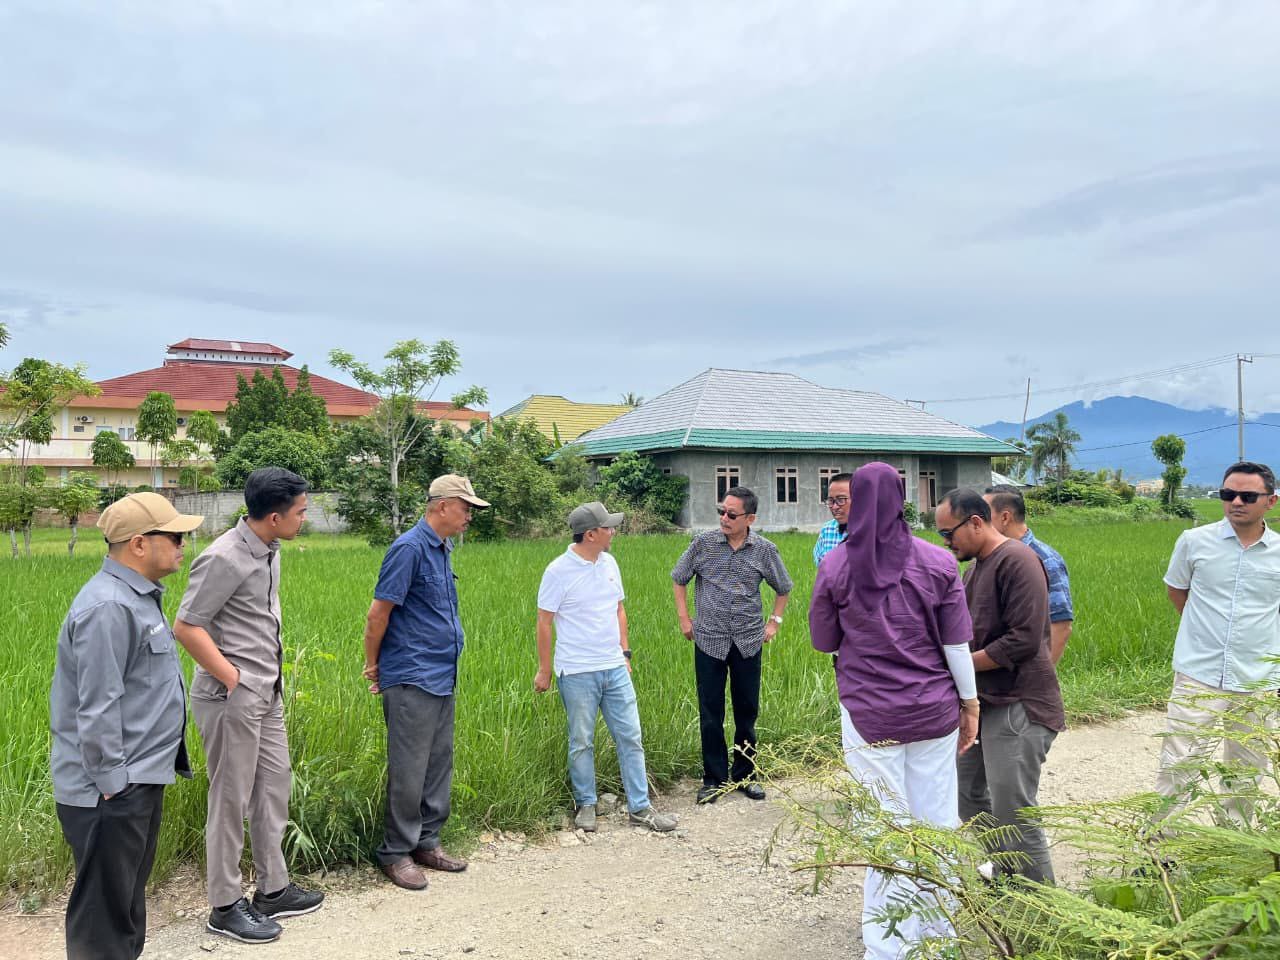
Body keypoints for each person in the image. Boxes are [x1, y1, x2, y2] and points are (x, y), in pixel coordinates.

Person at [810, 463, 978, 959]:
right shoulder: (938, 563)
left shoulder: (836, 565)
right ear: (902, 499)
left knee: (884, 828)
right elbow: (956, 645)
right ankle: (939, 938)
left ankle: (888, 948)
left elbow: (824, 642)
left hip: (869, 715)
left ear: (857, 500)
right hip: (933, 712)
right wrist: (970, 704)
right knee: (937, 821)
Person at [50, 493, 202, 960]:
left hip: (136, 780)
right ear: (139, 544)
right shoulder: (109, 607)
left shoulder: (137, 598)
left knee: (124, 907)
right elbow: (96, 707)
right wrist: (114, 787)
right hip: (111, 789)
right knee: (104, 921)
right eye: (175, 537)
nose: (183, 545)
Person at [175, 468, 322, 943]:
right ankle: (224, 904)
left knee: (273, 787)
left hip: (266, 692)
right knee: (230, 798)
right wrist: (233, 678)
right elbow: (187, 626)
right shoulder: (223, 557)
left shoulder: (270, 549)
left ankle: (273, 889)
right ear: (275, 516)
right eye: (300, 511)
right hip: (230, 697)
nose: (305, 518)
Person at [362, 474, 488, 890]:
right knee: (410, 768)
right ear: (443, 506)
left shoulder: (442, 548)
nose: (469, 516)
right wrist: (373, 665)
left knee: (437, 763)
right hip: (412, 674)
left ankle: (427, 842)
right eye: (466, 508)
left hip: (441, 673)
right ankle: (395, 852)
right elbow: (379, 613)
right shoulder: (409, 548)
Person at [934, 487, 1065, 884]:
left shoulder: (1018, 560)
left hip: (1020, 703)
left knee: (1014, 811)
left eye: (948, 533)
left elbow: (1023, 640)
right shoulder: (976, 569)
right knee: (966, 793)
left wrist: (959, 665)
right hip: (986, 702)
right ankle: (1009, 876)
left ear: (976, 522)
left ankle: (1044, 905)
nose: (946, 542)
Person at [533, 502, 677, 833]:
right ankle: (586, 804)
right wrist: (544, 669)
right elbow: (544, 621)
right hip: (577, 671)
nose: (613, 532)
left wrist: (625, 653)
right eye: (608, 527)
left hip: (613, 666)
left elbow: (618, 609)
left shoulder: (609, 562)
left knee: (631, 736)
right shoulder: (557, 571)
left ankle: (640, 807)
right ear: (590, 534)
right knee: (582, 740)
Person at [1155, 461, 1280, 821]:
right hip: (1199, 671)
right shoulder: (1194, 541)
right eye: (1228, 494)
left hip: (1257, 678)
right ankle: (1163, 841)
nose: (1236, 502)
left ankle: (1233, 839)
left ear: (1270, 501)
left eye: (1247, 496)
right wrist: (1203, 631)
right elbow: (1177, 591)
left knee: (1247, 767)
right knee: (1180, 762)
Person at [672, 486, 793, 804]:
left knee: (746, 712)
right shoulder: (703, 544)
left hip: (748, 641)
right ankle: (714, 779)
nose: (724, 518)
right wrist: (685, 619)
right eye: (721, 512)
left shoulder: (764, 550)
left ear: (750, 519)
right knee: (710, 712)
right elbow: (679, 578)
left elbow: (783, 587)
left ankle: (745, 775)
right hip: (709, 639)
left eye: (732, 514)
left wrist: (774, 622)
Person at [984, 484, 1074, 663]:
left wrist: (1041, 673)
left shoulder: (1045, 559)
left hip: (1027, 673)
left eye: (985, 516)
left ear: (1005, 517)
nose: (979, 522)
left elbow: (1061, 626)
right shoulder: (990, 557)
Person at [813, 472, 852, 566]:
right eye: (830, 501)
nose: (834, 507)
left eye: (841, 500)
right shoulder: (827, 530)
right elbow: (821, 568)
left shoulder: (873, 532)